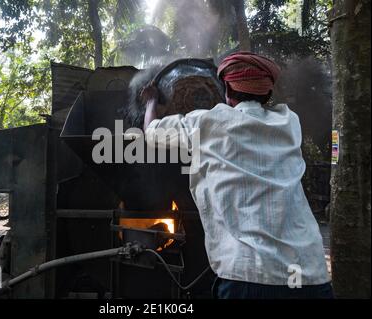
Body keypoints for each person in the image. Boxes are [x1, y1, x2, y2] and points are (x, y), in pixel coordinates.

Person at [141, 52, 334, 299]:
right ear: (268, 93)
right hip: (309, 274)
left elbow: (151, 131)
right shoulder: (289, 122)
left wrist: (151, 101)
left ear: (227, 90)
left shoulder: (208, 122)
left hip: (249, 275)